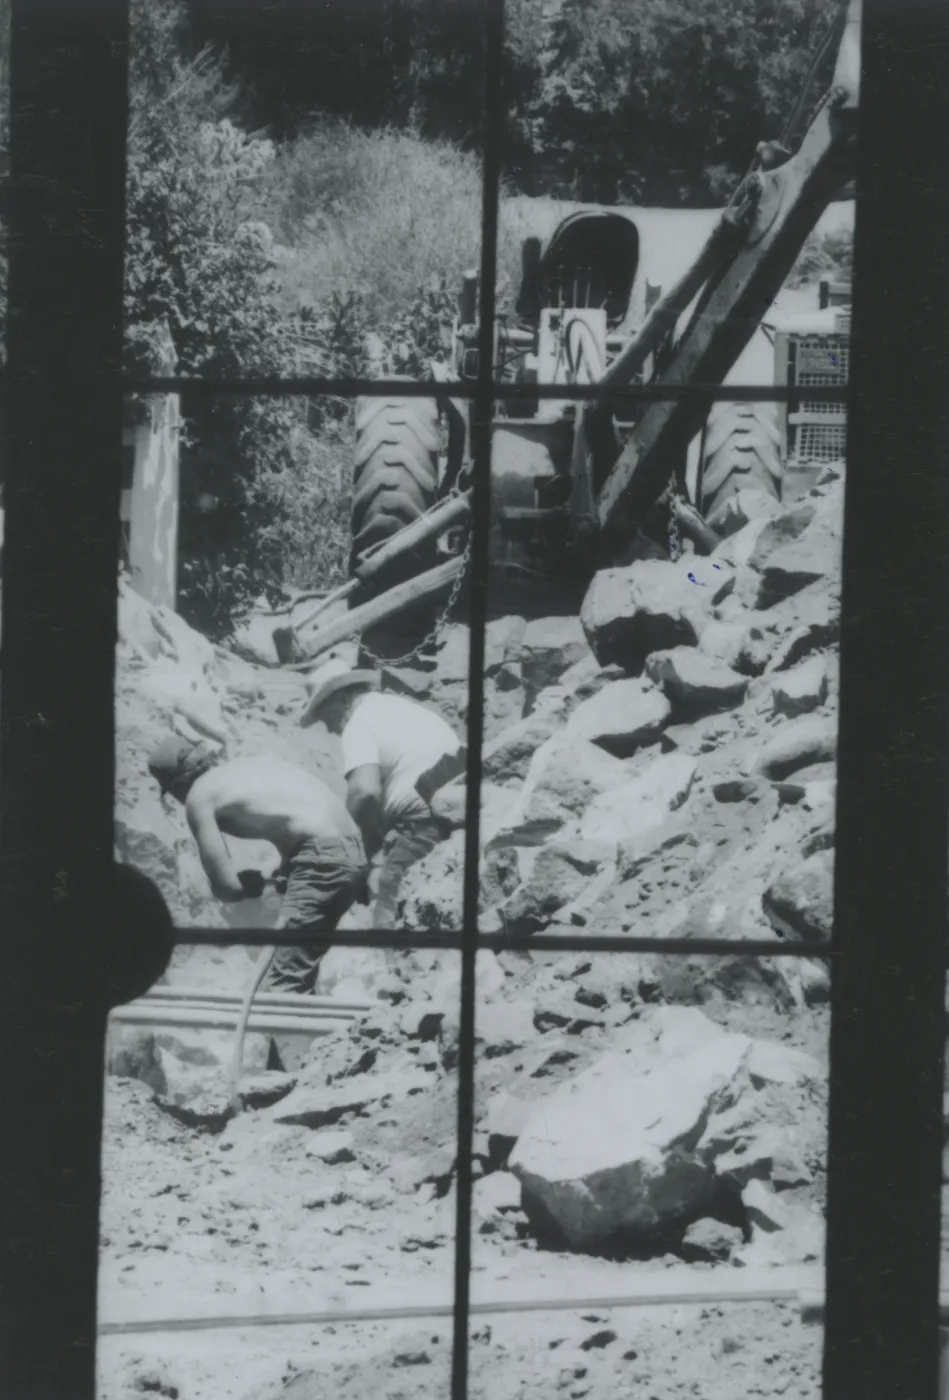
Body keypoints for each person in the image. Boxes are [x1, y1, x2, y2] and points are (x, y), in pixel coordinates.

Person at [147, 737, 369, 993]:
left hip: (323, 862)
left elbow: (227, 888)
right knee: (295, 968)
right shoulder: (247, 767)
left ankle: (291, 1029)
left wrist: (248, 884)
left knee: (279, 989)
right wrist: (287, 870)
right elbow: (306, 821)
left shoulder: (200, 797)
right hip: (354, 849)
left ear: (177, 785)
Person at [299, 668, 465, 927]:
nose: (330, 729)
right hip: (455, 803)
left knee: (391, 890)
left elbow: (364, 792)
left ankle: (384, 958)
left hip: (426, 818)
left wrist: (350, 848)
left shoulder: (358, 722)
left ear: (344, 700)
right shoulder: (397, 708)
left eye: (327, 716)